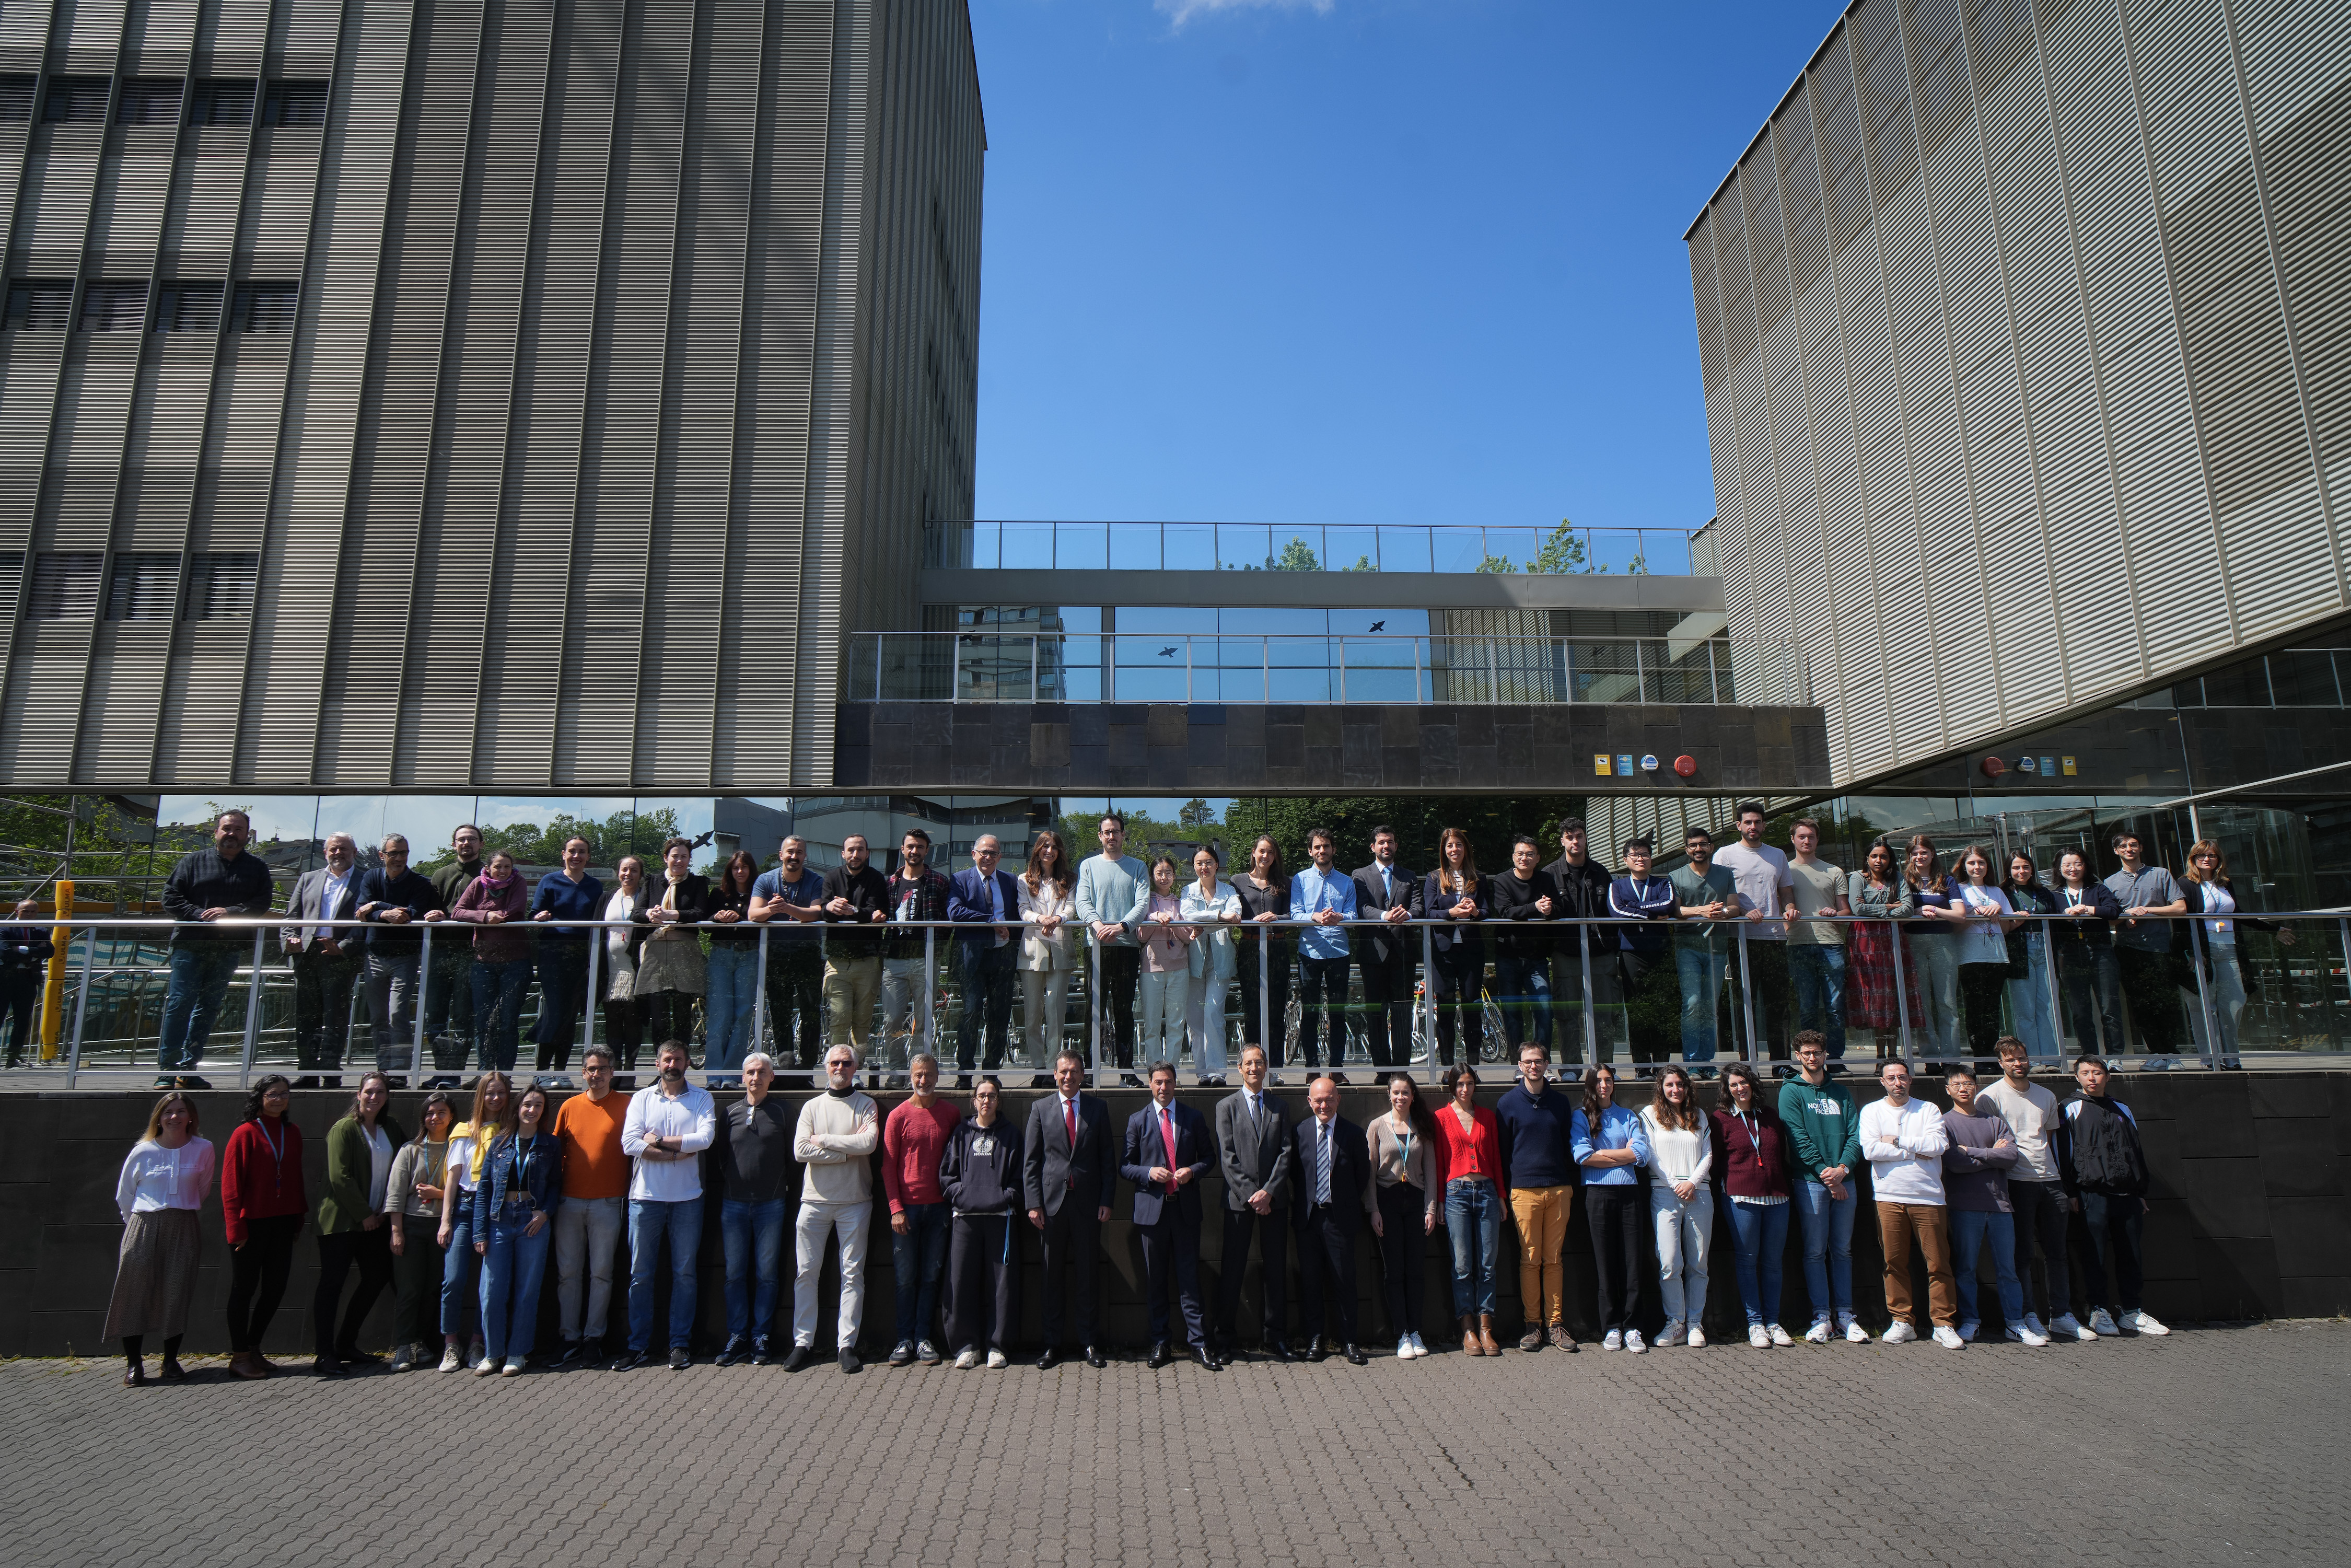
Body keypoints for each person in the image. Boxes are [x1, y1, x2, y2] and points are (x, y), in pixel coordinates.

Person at [616, 1040, 717, 1370]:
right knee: (640, 1275)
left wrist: (657, 1141)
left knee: (685, 1275)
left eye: (678, 1059)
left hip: (687, 1199)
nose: (672, 1064)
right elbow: (629, 1143)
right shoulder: (641, 1099)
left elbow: (704, 1140)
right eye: (666, 1059)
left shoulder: (702, 1097)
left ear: (688, 1063)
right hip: (645, 1200)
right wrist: (677, 1152)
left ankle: (679, 1345)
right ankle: (638, 1346)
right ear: (657, 1064)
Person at [1979, 1037, 2088, 1342]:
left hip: (2051, 1181)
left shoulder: (2046, 1096)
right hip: (2015, 1182)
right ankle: (2028, 1314)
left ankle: (2062, 1314)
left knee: (2058, 1252)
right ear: (2000, 1063)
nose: (2018, 1064)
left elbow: (2051, 1141)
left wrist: (2063, 1183)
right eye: (2011, 1059)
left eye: (2022, 1058)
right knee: (2023, 1254)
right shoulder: (1989, 1098)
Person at [156, 808, 274, 1088]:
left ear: (247, 835)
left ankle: (188, 1069)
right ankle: (167, 1071)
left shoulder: (257, 867)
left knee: (208, 1008)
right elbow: (170, 898)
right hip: (190, 945)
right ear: (216, 832)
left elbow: (262, 903)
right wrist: (199, 914)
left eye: (238, 830)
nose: (231, 834)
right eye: (226, 828)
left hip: (228, 948)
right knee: (179, 1004)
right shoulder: (192, 861)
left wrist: (230, 912)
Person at [105, 1092, 213, 1385]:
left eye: (180, 1111)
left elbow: (203, 1189)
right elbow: (124, 1194)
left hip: (184, 1225)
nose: (174, 1117)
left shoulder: (204, 1148)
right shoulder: (144, 1151)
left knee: (177, 1292)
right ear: (159, 1117)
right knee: (134, 1292)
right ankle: (134, 1364)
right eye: (168, 1112)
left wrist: (180, 1211)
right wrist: (137, 1224)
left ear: (191, 1116)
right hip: (143, 1224)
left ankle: (170, 1361)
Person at [785, 1043, 881, 1373]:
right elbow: (800, 1150)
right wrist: (844, 1153)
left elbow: (868, 1144)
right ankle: (803, 1342)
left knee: (852, 1275)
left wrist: (823, 1140)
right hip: (813, 1201)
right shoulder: (812, 1107)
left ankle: (846, 1345)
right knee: (805, 1273)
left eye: (846, 1063)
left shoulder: (866, 1104)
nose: (839, 1069)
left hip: (855, 1202)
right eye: (833, 1064)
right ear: (826, 1068)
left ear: (855, 1068)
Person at [2058, 1054, 2168, 1337]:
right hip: (2090, 1193)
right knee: (2094, 1254)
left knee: (2131, 1254)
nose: (2092, 1078)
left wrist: (2140, 1191)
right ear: (2077, 1078)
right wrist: (2070, 1191)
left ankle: (2132, 1312)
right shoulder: (2070, 1108)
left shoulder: (2122, 1109)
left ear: (2107, 1076)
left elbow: (2136, 1151)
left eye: (2097, 1072)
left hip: (2128, 1194)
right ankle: (2098, 1311)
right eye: (2085, 1073)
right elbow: (2064, 1152)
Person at [1123, 1060, 1221, 1368]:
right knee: (1156, 1281)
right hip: (1152, 1213)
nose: (1163, 1087)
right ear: (1150, 1084)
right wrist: (1148, 1172)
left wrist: (1193, 1171)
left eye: (1167, 1082)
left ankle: (1199, 1344)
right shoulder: (1137, 1120)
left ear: (1175, 1083)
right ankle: (1160, 1343)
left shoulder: (1193, 1118)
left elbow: (1209, 1158)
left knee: (1190, 1279)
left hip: (1185, 1211)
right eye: (1157, 1082)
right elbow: (1125, 1166)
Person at [1022, 1048, 1116, 1367]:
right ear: (1055, 1074)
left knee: (1088, 1275)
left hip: (1088, 1205)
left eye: (1074, 1071)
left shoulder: (1098, 1108)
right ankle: (1052, 1344)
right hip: (1051, 1207)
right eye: (1063, 1071)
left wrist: (1107, 1200)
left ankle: (1090, 1343)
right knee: (1051, 1277)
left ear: (1082, 1075)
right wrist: (1033, 1204)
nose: (1068, 1077)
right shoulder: (1040, 1108)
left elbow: (1107, 1160)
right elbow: (1032, 1162)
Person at [1860, 1059, 1961, 1348]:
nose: (1897, 1083)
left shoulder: (1928, 1109)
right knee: (1894, 1262)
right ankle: (1902, 1321)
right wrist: (1915, 1151)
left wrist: (1898, 1141)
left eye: (1902, 1077)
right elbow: (1870, 1150)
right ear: (1882, 1081)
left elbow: (1939, 1146)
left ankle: (1943, 1323)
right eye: (1891, 1078)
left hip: (1928, 1197)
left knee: (1939, 1263)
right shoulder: (1872, 1111)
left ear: (1910, 1080)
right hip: (1888, 1197)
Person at [1777, 1030, 1868, 1343]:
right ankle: (1821, 1316)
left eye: (1817, 1052)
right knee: (1815, 1251)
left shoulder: (1841, 1092)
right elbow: (1797, 1138)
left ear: (1825, 1055)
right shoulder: (1791, 1092)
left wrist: (1842, 1170)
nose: (1812, 1058)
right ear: (1798, 1056)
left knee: (1843, 1250)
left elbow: (1857, 1136)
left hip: (1847, 1181)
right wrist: (1826, 1175)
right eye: (1806, 1053)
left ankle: (1844, 1315)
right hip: (1810, 1183)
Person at [310, 1071, 402, 1376]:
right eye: (369, 1092)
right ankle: (324, 1355)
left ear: (387, 1097)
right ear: (359, 1094)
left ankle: (345, 1344)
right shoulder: (345, 1129)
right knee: (332, 1285)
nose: (374, 1097)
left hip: (375, 1221)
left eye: (380, 1092)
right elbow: (340, 1177)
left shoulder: (391, 1128)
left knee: (377, 1277)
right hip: (343, 1221)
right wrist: (364, 1214)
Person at [1942, 1067, 2041, 1345]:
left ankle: (2016, 1323)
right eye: (1957, 1084)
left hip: (2001, 1207)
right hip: (1965, 1206)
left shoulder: (1995, 1122)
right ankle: (1971, 1321)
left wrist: (1972, 1151)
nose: (1964, 1088)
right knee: (1966, 1269)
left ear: (1976, 1087)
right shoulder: (1944, 1123)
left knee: (2008, 1269)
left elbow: (2011, 1157)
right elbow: (1954, 1163)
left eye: (1969, 1083)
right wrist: (1992, 1154)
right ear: (1948, 1090)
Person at [1494, 1041, 1577, 1352]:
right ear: (1519, 1065)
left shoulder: (1560, 1102)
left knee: (1553, 1260)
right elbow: (1503, 1154)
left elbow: (1568, 1146)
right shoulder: (1507, 1104)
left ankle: (1556, 1325)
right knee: (1529, 1260)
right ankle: (1533, 1326)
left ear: (1547, 1064)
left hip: (1558, 1189)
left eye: (1538, 1061)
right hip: (1523, 1192)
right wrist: (1505, 1194)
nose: (1533, 1066)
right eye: (1527, 1062)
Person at [713, 1052, 796, 1365]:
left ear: (772, 1077)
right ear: (742, 1077)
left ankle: (761, 1336)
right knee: (734, 1274)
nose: (755, 1078)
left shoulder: (784, 1112)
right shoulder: (730, 1112)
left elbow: (792, 1159)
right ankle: (738, 1336)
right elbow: (721, 1156)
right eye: (750, 1072)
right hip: (733, 1205)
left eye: (762, 1072)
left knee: (767, 1275)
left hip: (771, 1205)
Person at [2181, 839, 2294, 1069]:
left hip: (2230, 949)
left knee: (2234, 1003)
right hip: (2204, 950)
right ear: (2193, 859)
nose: (2207, 859)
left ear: (2219, 860)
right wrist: (2193, 952)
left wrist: (2273, 930)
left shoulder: (2225, 883)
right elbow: (2182, 921)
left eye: (2212, 855)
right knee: (2205, 1007)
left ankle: (2231, 1059)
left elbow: (2239, 914)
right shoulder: (2186, 884)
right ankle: (2210, 1059)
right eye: (2201, 855)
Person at [549, 1044, 630, 1364]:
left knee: (602, 1274)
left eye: (602, 1069)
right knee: (568, 1274)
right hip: (568, 1203)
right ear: (583, 1073)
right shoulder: (569, 1106)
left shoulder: (628, 1105)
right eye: (590, 1069)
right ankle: (569, 1337)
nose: (596, 1075)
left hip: (608, 1203)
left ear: (613, 1072)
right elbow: (555, 1154)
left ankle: (593, 1338)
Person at [1213, 1042, 1294, 1360]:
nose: (1254, 1068)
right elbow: (1228, 1157)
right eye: (1248, 1063)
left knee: (1276, 1270)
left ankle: (1276, 1338)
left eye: (1259, 1063)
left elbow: (1286, 1153)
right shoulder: (1226, 1107)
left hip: (1274, 1200)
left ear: (1266, 1067)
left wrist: (1269, 1191)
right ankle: (1224, 1340)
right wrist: (1252, 1195)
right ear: (1239, 1068)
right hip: (1239, 1202)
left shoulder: (1279, 1106)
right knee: (1232, 1270)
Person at [222, 1074, 306, 1378]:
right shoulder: (245, 1133)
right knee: (243, 1290)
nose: (280, 1099)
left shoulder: (292, 1131)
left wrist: (298, 1219)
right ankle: (239, 1355)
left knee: (275, 1288)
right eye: (273, 1094)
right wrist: (236, 1230)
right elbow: (231, 1187)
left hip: (283, 1223)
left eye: (285, 1094)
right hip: (251, 1226)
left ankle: (254, 1347)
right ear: (260, 1098)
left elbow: (295, 1179)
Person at [472, 1084, 557, 1375]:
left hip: (532, 1222)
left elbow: (558, 1184)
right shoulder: (499, 1143)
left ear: (543, 1111)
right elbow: (484, 1189)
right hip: (499, 1220)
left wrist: (545, 1212)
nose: (531, 1110)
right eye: (527, 1104)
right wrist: (479, 1232)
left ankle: (517, 1353)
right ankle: (493, 1353)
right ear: (518, 1108)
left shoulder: (551, 1144)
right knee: (492, 1291)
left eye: (538, 1106)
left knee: (527, 1290)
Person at [882, 1051, 960, 1366]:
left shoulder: (951, 1113)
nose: (923, 1080)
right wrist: (895, 1208)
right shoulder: (898, 1116)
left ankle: (924, 1338)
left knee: (931, 1277)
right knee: (905, 1279)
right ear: (910, 1077)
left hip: (940, 1209)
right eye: (917, 1075)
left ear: (937, 1076)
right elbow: (888, 1167)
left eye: (928, 1074)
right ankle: (904, 1340)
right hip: (907, 1212)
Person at [1289, 1073, 1372, 1364]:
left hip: (1340, 1219)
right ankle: (1315, 1339)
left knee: (1344, 1281)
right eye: (1318, 1101)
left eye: (1329, 1100)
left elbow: (1363, 1175)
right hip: (1309, 1220)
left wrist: (1344, 1202)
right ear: (1309, 1101)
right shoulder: (1298, 1133)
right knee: (1311, 1281)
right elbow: (1294, 1176)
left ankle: (1349, 1341)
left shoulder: (1353, 1134)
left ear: (1339, 1099)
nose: (1324, 1106)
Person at [942, 1075, 1022, 1368]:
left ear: (998, 1101)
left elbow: (1019, 1179)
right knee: (960, 1281)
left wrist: (1004, 1198)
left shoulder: (1012, 1134)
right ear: (974, 1100)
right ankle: (966, 1345)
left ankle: (998, 1346)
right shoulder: (961, 1133)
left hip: (1001, 1221)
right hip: (965, 1220)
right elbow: (947, 1176)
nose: (986, 1100)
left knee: (1001, 1285)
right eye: (981, 1096)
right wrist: (960, 1196)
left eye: (992, 1095)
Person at [1712, 1062, 1794, 1348]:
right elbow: (1717, 1161)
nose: (1740, 1088)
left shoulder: (1770, 1115)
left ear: (1752, 1084)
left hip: (1777, 1198)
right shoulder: (1720, 1118)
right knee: (1747, 1261)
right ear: (1727, 1089)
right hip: (1741, 1198)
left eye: (1744, 1082)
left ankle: (1774, 1321)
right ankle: (1755, 1323)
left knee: (1773, 1263)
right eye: (1733, 1084)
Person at [1572, 1064, 1651, 1351]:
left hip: (1630, 1194)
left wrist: (1603, 1153)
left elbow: (1641, 1154)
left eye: (1608, 1080)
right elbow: (1582, 1156)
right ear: (1590, 1085)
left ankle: (1633, 1327)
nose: (1604, 1085)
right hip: (1598, 1195)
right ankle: (1612, 1328)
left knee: (1632, 1262)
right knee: (1605, 1263)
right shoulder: (1581, 1117)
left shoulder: (1628, 1116)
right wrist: (1623, 1157)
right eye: (1598, 1081)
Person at [1714, 803, 1796, 1070]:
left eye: (1758, 822)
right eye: (1748, 822)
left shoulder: (1778, 855)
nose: (1753, 827)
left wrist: (1790, 910)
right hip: (1740, 938)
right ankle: (1746, 1062)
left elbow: (1785, 892)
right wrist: (1743, 912)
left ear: (1763, 825)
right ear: (1738, 826)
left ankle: (1781, 1062)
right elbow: (1717, 893)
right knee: (1743, 1001)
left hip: (1774, 937)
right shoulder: (1725, 855)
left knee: (1778, 1003)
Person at [436, 1072, 509, 1372]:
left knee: (487, 1285)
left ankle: (479, 1340)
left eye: (501, 1092)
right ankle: (451, 1344)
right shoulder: (464, 1131)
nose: (495, 1098)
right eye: (490, 1093)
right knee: (453, 1280)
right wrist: (445, 1220)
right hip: (465, 1209)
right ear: (481, 1096)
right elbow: (453, 1178)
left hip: (496, 1210)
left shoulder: (510, 1131)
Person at [1431, 1063, 1504, 1355]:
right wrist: (1439, 1200)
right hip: (1456, 1194)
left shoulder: (1487, 1116)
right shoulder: (1441, 1118)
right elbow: (1437, 1162)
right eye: (1460, 1084)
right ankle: (1468, 1329)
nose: (1465, 1089)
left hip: (1486, 1192)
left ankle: (1487, 1328)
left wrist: (1500, 1194)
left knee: (1488, 1264)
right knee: (1462, 1265)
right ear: (1452, 1086)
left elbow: (1496, 1157)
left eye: (1470, 1084)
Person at [282, 831, 364, 1088]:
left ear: (354, 852)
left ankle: (330, 1071)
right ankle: (307, 1071)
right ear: (325, 852)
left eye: (343, 849)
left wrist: (345, 947)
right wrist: (290, 939)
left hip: (340, 956)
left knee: (335, 1016)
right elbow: (290, 918)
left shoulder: (366, 879)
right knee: (307, 1016)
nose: (337, 853)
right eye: (333, 849)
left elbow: (366, 922)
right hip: (307, 955)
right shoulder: (308, 878)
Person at [382, 1090, 455, 1371]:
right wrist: (397, 1231)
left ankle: (422, 1344)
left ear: (451, 1117)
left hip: (443, 1226)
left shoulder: (457, 1147)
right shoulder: (410, 1149)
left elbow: (464, 1191)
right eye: (429, 1113)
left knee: (433, 1289)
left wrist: (438, 1193)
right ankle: (403, 1346)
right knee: (409, 1289)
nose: (434, 1118)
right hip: (412, 1225)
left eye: (441, 1113)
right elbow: (396, 1193)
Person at [1640, 1065, 1712, 1348]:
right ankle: (1676, 1323)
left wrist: (1692, 1182)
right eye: (1670, 1085)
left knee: (1699, 1263)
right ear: (1661, 1087)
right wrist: (1675, 1184)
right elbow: (1650, 1155)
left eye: (1680, 1084)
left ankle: (1695, 1323)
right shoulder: (1649, 1114)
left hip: (1699, 1193)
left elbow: (1708, 1155)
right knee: (1669, 1263)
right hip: (1665, 1194)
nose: (1676, 1090)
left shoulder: (1699, 1115)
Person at [356, 834, 439, 1078]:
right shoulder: (370, 877)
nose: (400, 858)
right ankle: (384, 1070)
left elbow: (411, 913)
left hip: (405, 957)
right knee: (378, 1017)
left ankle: (401, 1072)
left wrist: (378, 905)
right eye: (394, 853)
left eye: (404, 853)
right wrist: (383, 913)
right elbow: (361, 910)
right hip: (374, 956)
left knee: (397, 1014)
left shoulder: (419, 883)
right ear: (383, 855)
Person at [1076, 814, 1149, 1085]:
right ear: (1100, 836)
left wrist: (1120, 927)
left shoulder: (1138, 866)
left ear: (1123, 834)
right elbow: (1082, 901)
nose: (1111, 836)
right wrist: (1097, 925)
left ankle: (1127, 1073)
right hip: (1094, 946)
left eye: (1116, 831)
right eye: (1106, 832)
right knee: (1092, 1009)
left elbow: (1142, 904)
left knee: (1124, 1011)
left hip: (1127, 945)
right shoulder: (1088, 866)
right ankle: (1088, 1073)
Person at [1368, 1074, 1438, 1358]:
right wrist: (1373, 1209)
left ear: (1413, 1095)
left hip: (1416, 1200)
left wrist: (1431, 1208)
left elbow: (1432, 1171)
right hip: (1387, 1200)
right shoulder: (1376, 1127)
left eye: (1405, 1093)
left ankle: (1416, 1331)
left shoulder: (1421, 1125)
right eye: (1396, 1093)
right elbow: (1369, 1174)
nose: (1401, 1098)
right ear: (1388, 1094)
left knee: (1416, 1270)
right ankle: (1401, 1334)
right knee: (1394, 1271)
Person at [2105, 830, 2188, 1068]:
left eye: (2133, 845)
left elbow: (2180, 909)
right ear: (2116, 851)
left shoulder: (2161, 874)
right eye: (2124, 846)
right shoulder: (2110, 883)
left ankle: (2172, 1055)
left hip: (2160, 949)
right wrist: (2124, 918)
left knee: (2165, 1003)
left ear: (2141, 848)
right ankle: (2156, 1055)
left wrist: (2147, 910)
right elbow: (2108, 919)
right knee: (2140, 1005)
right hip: (2127, 949)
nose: (2129, 849)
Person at [749, 835, 829, 1078]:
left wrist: (786, 909)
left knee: (811, 1011)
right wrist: (773, 909)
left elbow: (816, 913)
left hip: (808, 953)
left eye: (800, 852)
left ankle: (806, 1070)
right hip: (776, 954)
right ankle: (785, 1067)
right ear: (781, 854)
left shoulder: (816, 880)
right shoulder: (765, 880)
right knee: (780, 1011)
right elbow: (754, 914)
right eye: (790, 852)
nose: (795, 856)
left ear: (805, 856)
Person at [527, 836, 603, 1087]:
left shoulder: (595, 887)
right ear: (563, 854)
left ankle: (560, 1071)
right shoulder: (550, 881)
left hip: (582, 956)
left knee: (570, 1014)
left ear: (588, 857)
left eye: (582, 852)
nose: (576, 856)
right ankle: (541, 1071)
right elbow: (533, 913)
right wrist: (540, 916)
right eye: (572, 851)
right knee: (556, 1010)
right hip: (553, 953)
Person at [1543, 818, 1620, 1063]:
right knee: (1567, 1014)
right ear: (1562, 841)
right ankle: (1571, 1069)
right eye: (1570, 837)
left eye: (1579, 836)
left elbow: (1611, 911)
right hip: (1566, 954)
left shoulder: (1600, 872)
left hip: (1600, 953)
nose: (1575, 841)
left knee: (1604, 1014)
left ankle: (1604, 1068)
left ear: (1585, 838)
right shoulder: (1549, 874)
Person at [450, 850, 532, 1074]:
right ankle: (485, 1073)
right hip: (483, 962)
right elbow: (457, 912)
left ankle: (505, 1074)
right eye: (498, 867)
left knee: (507, 1022)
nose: (503, 871)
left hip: (515, 962)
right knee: (484, 1021)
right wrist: (484, 917)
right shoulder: (478, 883)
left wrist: (481, 913)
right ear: (489, 868)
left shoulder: (519, 883)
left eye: (507, 866)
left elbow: (513, 910)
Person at [880, 829, 952, 1081]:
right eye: (910, 846)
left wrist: (938, 950)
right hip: (894, 961)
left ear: (926, 851)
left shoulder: (939, 881)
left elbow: (948, 921)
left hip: (926, 959)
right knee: (892, 1021)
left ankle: (920, 1072)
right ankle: (897, 1071)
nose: (915, 851)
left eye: (920, 847)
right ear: (903, 850)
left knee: (923, 1022)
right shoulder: (890, 883)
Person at [950, 835, 1023, 1080]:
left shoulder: (1010, 881)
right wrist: (990, 922)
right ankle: (965, 1071)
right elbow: (955, 911)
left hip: (1004, 955)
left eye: (993, 853)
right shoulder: (960, 880)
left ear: (1000, 857)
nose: (988, 857)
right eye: (983, 852)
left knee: (1000, 1015)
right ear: (974, 854)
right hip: (973, 959)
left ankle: (992, 1071)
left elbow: (1020, 915)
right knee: (970, 1013)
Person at [1351, 824, 1421, 1081]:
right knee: (1376, 1013)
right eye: (1381, 842)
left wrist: (1408, 914)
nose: (1386, 846)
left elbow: (1419, 906)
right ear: (1373, 847)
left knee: (1403, 1013)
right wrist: (1384, 915)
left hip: (1403, 954)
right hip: (1373, 954)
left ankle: (1401, 1071)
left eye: (1390, 842)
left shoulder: (1409, 876)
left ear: (1396, 846)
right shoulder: (1359, 875)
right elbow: (1361, 908)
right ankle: (1382, 1070)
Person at [1288, 828, 1358, 1079]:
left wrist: (1340, 917)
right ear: (1311, 851)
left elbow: (1354, 916)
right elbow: (1295, 914)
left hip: (1339, 951)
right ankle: (1312, 1068)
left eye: (1326, 846)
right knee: (1311, 1011)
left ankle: (1337, 1069)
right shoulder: (1300, 879)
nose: (1322, 851)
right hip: (1310, 952)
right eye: (1317, 847)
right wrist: (1315, 917)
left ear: (1333, 849)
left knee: (1338, 1011)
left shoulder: (1346, 882)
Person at [1668, 828, 1738, 1074]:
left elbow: (1735, 908)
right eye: (1693, 845)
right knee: (1693, 1003)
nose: (1698, 849)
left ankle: (1706, 1062)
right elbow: (1676, 911)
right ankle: (1692, 1063)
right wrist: (1702, 911)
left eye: (1703, 844)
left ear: (1711, 847)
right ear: (1686, 849)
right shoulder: (1675, 876)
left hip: (1717, 948)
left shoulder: (1725, 873)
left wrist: (1724, 913)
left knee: (1710, 1006)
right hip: (1687, 947)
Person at [422, 824, 487, 1085]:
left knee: (463, 1014)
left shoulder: (487, 874)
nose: (466, 844)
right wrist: (434, 914)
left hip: (471, 952)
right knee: (435, 1013)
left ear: (481, 844)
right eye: (461, 840)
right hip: (440, 951)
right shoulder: (441, 874)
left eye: (472, 839)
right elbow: (429, 908)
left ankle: (454, 1072)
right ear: (454, 845)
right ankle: (442, 1071)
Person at [1608, 837, 1679, 1074]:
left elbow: (1668, 906)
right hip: (1631, 953)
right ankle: (1641, 1065)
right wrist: (1650, 915)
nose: (1641, 859)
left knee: (1662, 1008)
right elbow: (1618, 912)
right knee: (1636, 1009)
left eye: (1645, 855)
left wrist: (1635, 908)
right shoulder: (1617, 886)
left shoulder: (1663, 883)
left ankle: (1661, 1064)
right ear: (1626, 859)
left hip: (1660, 951)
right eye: (1635, 855)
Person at [635, 838, 713, 1053]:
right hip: (656, 952)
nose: (679, 861)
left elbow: (700, 913)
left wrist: (674, 915)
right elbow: (636, 913)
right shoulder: (652, 882)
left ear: (689, 859)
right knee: (658, 1018)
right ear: (665, 858)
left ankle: (681, 1066)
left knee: (681, 1016)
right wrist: (649, 913)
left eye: (684, 857)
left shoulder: (698, 883)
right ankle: (661, 1067)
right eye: (675, 856)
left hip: (685, 952)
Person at [1784, 819, 1850, 1063]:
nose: (1806, 841)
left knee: (1834, 1007)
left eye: (1811, 836)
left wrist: (1835, 913)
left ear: (1817, 840)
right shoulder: (1786, 871)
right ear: (1793, 839)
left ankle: (1834, 1060)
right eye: (1801, 836)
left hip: (1831, 943)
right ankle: (1809, 1058)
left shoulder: (1833, 871)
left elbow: (1846, 912)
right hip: (1798, 943)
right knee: (1807, 1007)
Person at [1016, 830, 1079, 1087]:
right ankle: (1038, 1067)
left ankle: (1055, 1066)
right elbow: (1022, 910)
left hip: (1061, 947)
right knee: (1032, 1013)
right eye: (1045, 846)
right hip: (1033, 949)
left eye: (1054, 846)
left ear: (1060, 851)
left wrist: (1058, 919)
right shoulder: (1023, 880)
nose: (1049, 851)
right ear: (1038, 850)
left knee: (1055, 1012)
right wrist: (1040, 918)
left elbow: (1072, 908)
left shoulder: (1069, 879)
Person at [820, 832, 890, 1061]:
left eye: (860, 850)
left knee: (862, 1020)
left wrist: (854, 912)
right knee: (839, 1016)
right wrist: (831, 907)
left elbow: (877, 911)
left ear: (867, 854)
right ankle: (838, 1067)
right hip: (837, 961)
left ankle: (856, 1069)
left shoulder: (876, 879)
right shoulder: (831, 877)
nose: (855, 854)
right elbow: (822, 913)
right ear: (843, 853)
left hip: (868, 960)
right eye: (851, 850)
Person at [1488, 835, 1558, 1064]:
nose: (1524, 858)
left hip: (1537, 958)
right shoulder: (1502, 881)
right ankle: (1519, 1064)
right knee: (1512, 1013)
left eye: (1530, 854)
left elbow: (1558, 907)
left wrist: (1549, 910)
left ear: (1538, 858)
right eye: (1520, 854)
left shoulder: (1546, 879)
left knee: (1545, 1009)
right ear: (1513, 857)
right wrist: (1535, 907)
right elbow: (1506, 911)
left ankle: (1541, 1062)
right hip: (1508, 956)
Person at [1845, 841, 1917, 1060]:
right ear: (1867, 858)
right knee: (1873, 997)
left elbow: (1908, 910)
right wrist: (1888, 907)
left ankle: (1893, 1056)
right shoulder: (1858, 877)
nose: (1879, 861)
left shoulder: (1898, 877)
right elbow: (1857, 909)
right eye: (1874, 856)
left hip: (1892, 939)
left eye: (1884, 857)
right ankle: (1879, 1058)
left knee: (1892, 995)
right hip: (1864, 940)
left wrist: (1877, 910)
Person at [1949, 845, 2020, 1066]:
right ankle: (1979, 1056)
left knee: (1992, 1009)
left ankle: (1992, 1055)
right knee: (1974, 1007)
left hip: (1997, 957)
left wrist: (1998, 911)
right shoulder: (1958, 889)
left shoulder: (1997, 892)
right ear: (1964, 866)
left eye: (1981, 863)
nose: (1977, 867)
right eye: (1971, 863)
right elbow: (1954, 926)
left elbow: (2008, 927)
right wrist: (1972, 913)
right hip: (1970, 957)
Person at [1423, 829, 1487, 1070]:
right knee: (1446, 1008)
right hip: (1443, 952)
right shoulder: (1434, 878)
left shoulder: (1478, 877)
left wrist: (1475, 912)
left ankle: (1473, 1067)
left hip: (1471, 951)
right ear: (1444, 850)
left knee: (1472, 1006)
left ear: (1465, 848)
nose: (1454, 850)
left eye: (1459, 845)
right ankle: (1448, 1067)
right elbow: (1429, 913)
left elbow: (1488, 912)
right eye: (1450, 846)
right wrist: (1451, 913)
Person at [1231, 834, 1293, 1077]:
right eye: (1261, 851)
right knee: (1252, 1011)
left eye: (1270, 852)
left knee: (1277, 1011)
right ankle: (1252, 1068)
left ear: (1275, 856)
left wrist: (1276, 918)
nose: (1265, 856)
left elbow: (1296, 915)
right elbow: (1232, 914)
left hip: (1277, 948)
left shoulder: (1284, 882)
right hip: (1249, 949)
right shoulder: (1237, 881)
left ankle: (1275, 1069)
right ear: (1253, 853)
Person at [700, 850, 761, 1089]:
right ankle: (714, 1075)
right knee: (719, 1014)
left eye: (744, 868)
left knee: (743, 1014)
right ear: (730, 871)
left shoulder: (759, 893)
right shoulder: (718, 893)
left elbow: (762, 923)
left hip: (749, 954)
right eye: (736, 868)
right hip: (721, 954)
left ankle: (734, 1075)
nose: (740, 872)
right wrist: (718, 917)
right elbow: (704, 926)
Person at [1181, 844, 1241, 1086]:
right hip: (1194, 960)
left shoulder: (1229, 890)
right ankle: (1203, 1072)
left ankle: (1218, 1072)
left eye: (1208, 862)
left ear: (1217, 865)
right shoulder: (1187, 890)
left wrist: (1205, 920)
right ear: (1194, 867)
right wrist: (1219, 917)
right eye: (1199, 863)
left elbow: (1235, 915)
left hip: (1221, 961)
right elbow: (1186, 915)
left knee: (1213, 1014)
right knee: (1195, 1019)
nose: (1203, 867)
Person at [1903, 837, 1965, 1065]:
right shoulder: (1904, 881)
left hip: (1943, 942)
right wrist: (1919, 911)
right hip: (1912, 942)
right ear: (1910, 856)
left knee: (1947, 1002)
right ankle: (1929, 1058)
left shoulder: (1947, 880)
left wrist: (1934, 909)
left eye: (1925, 852)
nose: (1920, 857)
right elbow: (1898, 916)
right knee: (1922, 1003)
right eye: (1915, 853)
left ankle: (1951, 1060)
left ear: (1933, 854)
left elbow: (1960, 916)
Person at [1134, 854, 1195, 1069]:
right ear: (1152, 877)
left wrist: (1173, 923)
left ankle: (1172, 1071)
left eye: (1168, 873)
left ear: (1175, 876)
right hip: (1151, 969)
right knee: (1151, 1025)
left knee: (1176, 1024)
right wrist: (1154, 917)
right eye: (1159, 873)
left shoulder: (1182, 903)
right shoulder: (1144, 902)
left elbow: (1188, 937)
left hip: (1180, 969)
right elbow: (1140, 936)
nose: (1164, 877)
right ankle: (1155, 1071)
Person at [2001, 853, 2063, 1061]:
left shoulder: (2043, 892)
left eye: (2026, 867)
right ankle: (2033, 1060)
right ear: (2008, 870)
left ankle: (2053, 1059)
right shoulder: (2003, 893)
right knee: (2025, 1009)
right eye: (2016, 868)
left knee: (2047, 1006)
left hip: (2044, 946)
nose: (2022, 872)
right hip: (2019, 949)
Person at [600, 856, 653, 1084]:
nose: (628, 874)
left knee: (632, 1019)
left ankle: (629, 1069)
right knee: (612, 1019)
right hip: (610, 967)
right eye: (624, 870)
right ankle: (614, 1069)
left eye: (634, 870)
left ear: (640, 874)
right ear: (618, 872)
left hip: (635, 966)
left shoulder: (646, 897)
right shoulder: (607, 898)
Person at [0, 895, 46, 1067]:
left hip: (27, 979)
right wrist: (34, 953)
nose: (29, 914)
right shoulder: (5, 928)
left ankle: (13, 1056)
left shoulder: (41, 930)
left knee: (23, 1019)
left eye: (33, 911)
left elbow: (49, 951)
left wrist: (21, 949)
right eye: (26, 911)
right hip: (5, 977)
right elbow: (4, 952)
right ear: (17, 912)